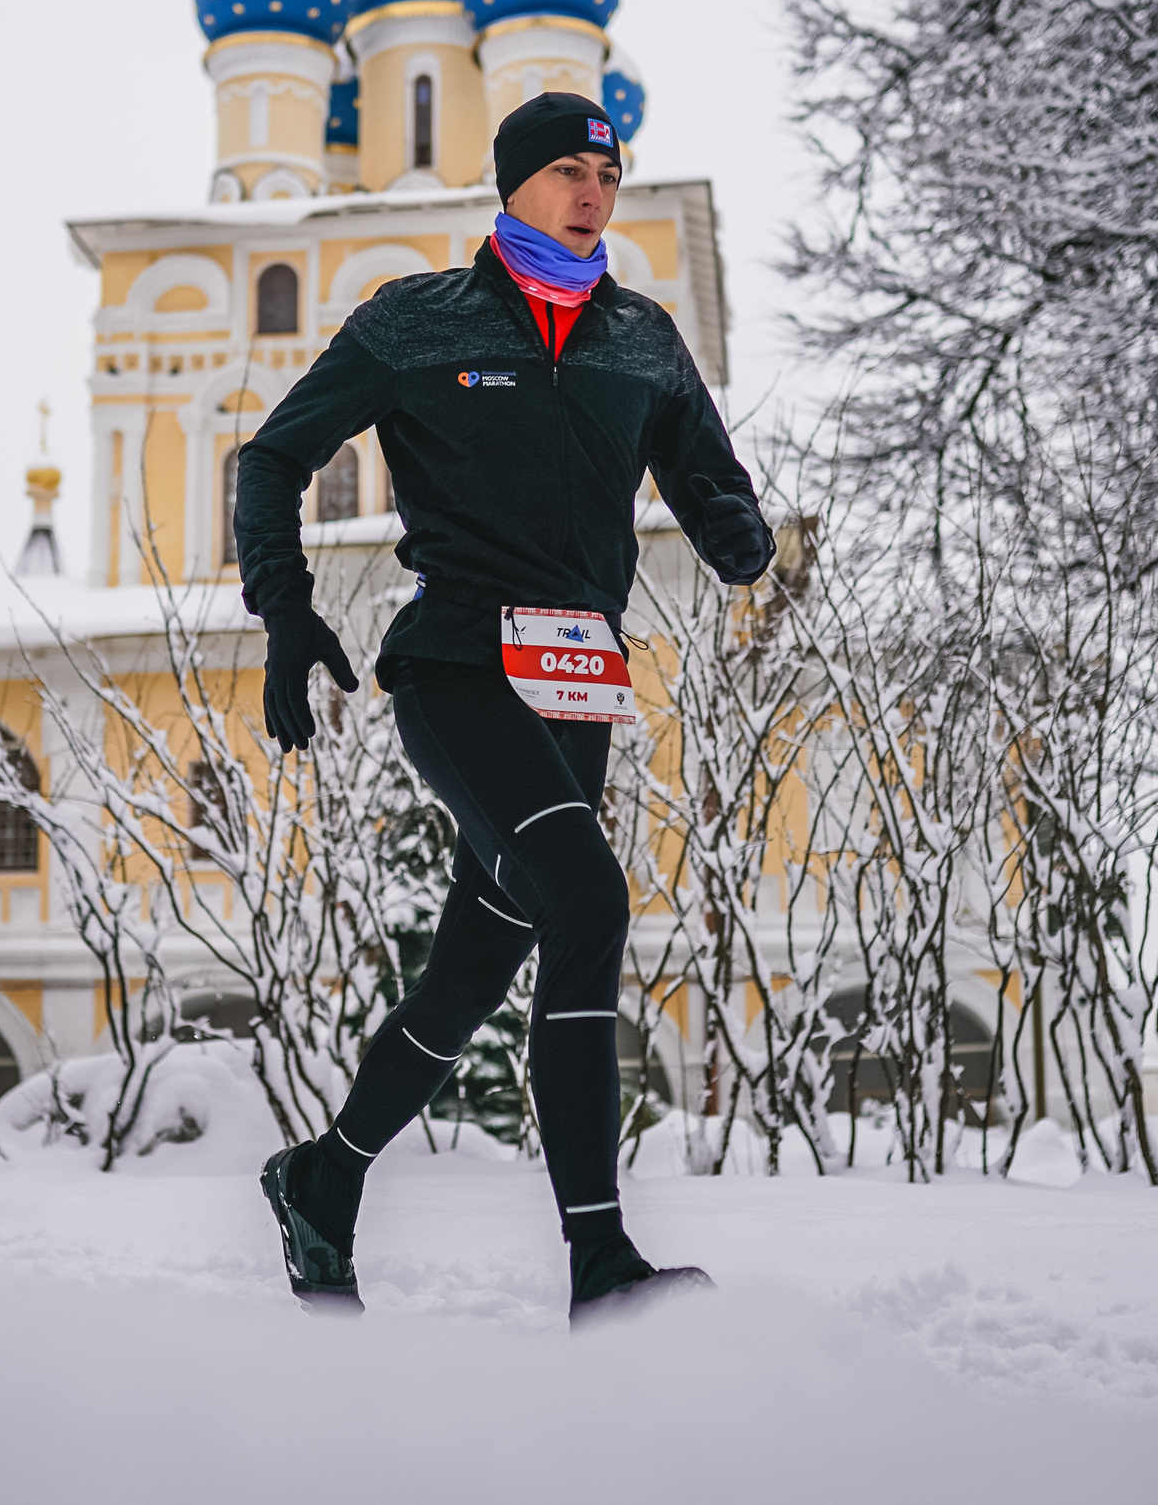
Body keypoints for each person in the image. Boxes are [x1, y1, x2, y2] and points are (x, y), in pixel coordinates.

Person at [233, 92, 775, 1326]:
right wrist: (285, 611)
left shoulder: (641, 337)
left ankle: (324, 1177)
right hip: (459, 666)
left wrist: (737, 537)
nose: (593, 190)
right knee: (584, 903)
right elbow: (271, 456)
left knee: (469, 976)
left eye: (609, 173)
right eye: (569, 169)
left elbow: (703, 470)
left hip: (578, 679)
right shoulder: (421, 320)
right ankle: (600, 1262)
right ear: (516, 182)